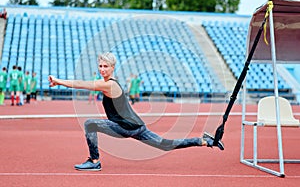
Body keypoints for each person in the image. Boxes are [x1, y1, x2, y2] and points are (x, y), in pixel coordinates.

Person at [48, 52, 224, 171]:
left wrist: (59, 81)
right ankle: (206, 141)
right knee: (166, 144)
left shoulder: (108, 84)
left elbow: (82, 85)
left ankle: (95, 162)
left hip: (126, 127)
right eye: (100, 66)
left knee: (90, 124)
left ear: (112, 68)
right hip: (137, 126)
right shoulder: (111, 82)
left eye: (106, 67)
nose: (102, 69)